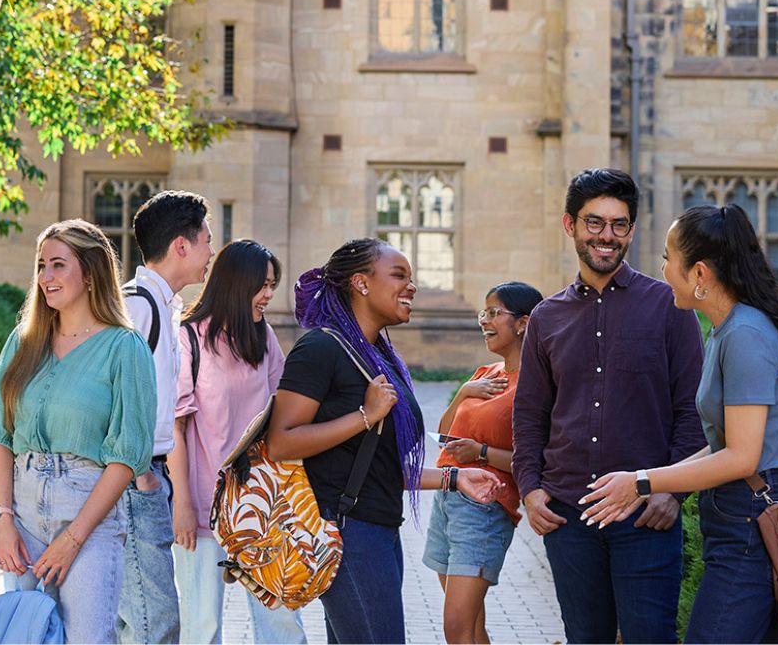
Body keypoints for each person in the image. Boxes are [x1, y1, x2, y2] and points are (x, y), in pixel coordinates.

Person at [580, 204, 778, 644]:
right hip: (739, 520)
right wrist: (656, 482)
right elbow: (724, 443)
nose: (661, 268)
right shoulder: (726, 330)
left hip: (750, 523)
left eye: (667, 257)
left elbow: (742, 456)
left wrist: (642, 481)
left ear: (699, 273)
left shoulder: (745, 335)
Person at [266, 237, 503, 644]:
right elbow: (281, 442)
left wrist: (453, 479)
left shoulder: (378, 355)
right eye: (399, 275)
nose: (411, 286)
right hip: (347, 535)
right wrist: (365, 415)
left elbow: (379, 465)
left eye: (411, 277)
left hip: (378, 532)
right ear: (360, 283)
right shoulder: (320, 347)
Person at [512, 168, 707, 644]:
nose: (607, 236)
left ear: (632, 230)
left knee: (650, 638)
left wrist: (671, 493)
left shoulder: (668, 306)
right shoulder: (545, 317)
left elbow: (693, 409)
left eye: (619, 224)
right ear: (570, 226)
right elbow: (531, 413)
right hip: (569, 516)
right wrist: (531, 490)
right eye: (594, 223)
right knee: (586, 638)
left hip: (645, 511)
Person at [0, 219, 157, 644]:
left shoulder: (124, 348)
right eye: (42, 266)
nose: (46, 278)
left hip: (89, 513)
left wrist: (73, 538)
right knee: (24, 637)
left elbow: (127, 455)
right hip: (22, 515)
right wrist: (2, 520)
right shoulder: (23, 343)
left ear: (91, 271)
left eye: (58, 265)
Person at [168, 239, 306, 645]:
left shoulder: (264, 340)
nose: (268, 295)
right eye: (262, 285)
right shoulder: (188, 337)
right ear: (235, 282)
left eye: (271, 285)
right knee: (202, 628)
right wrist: (182, 505)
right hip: (202, 506)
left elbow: (285, 413)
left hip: (263, 505)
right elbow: (175, 426)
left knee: (282, 624)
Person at [117, 190, 214, 645]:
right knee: (155, 625)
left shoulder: (162, 306)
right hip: (136, 484)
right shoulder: (138, 306)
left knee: (141, 622)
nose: (211, 252)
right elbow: (114, 401)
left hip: (148, 478)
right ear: (181, 245)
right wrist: (141, 477)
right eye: (207, 241)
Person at [424, 280, 543, 644]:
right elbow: (444, 434)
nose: (484, 321)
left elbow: (536, 459)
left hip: (485, 509)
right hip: (447, 500)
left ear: (523, 323)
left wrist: (480, 453)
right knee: (472, 627)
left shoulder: (537, 385)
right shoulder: (484, 375)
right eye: (483, 312)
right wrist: (463, 393)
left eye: (494, 313)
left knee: (456, 627)